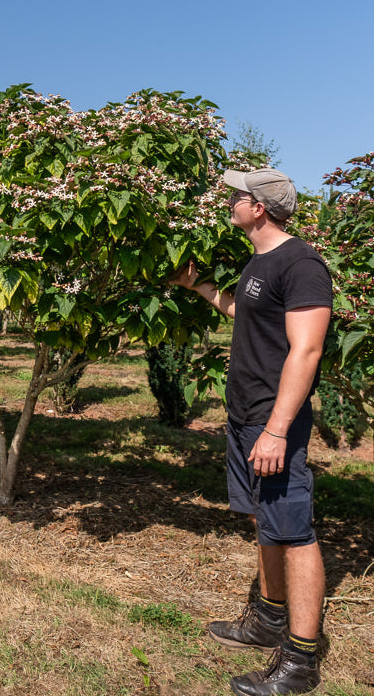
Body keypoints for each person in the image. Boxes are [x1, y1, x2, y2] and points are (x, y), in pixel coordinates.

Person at [171, 168, 332, 696]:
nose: (231, 202)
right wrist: (196, 286)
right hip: (246, 413)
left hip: (273, 418)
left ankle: (301, 660)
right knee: (265, 518)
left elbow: (306, 349)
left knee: (293, 531)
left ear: (259, 208)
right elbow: (247, 312)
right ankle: (267, 618)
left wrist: (278, 429)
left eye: (238, 196)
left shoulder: (302, 263)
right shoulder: (260, 260)